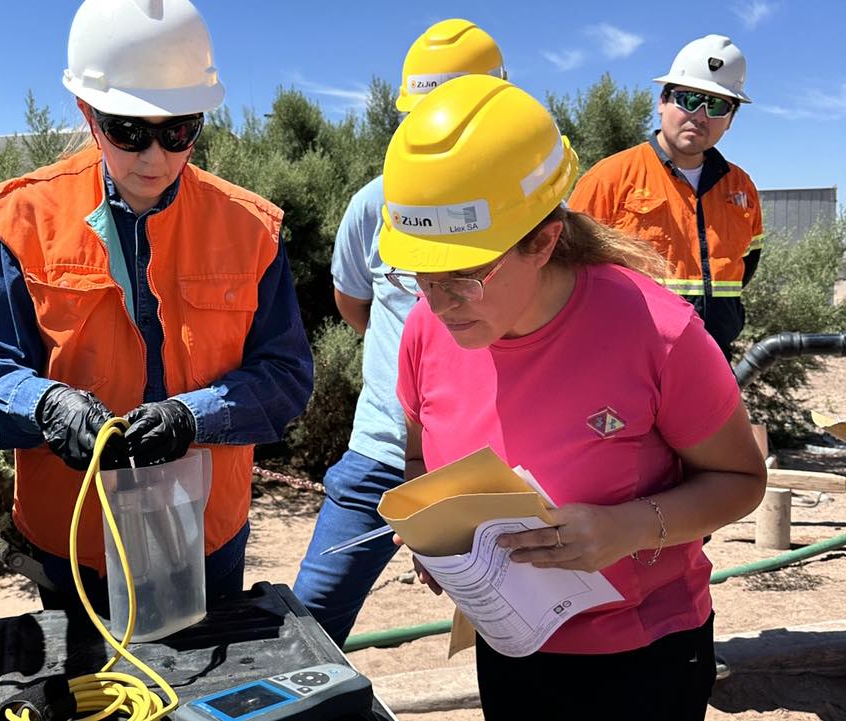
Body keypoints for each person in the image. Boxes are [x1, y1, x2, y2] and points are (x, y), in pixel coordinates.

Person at [381, 74, 767, 719]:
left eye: (465, 275)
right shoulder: (427, 327)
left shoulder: (656, 332)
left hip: (645, 656)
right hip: (509, 644)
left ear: (543, 241)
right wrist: (439, 542)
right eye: (420, 272)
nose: (439, 300)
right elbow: (421, 460)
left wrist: (628, 528)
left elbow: (739, 479)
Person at [0, 0, 312, 618]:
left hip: (207, 540)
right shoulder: (26, 221)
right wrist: (45, 406)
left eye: (179, 131)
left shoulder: (250, 230)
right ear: (86, 113)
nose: (155, 158)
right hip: (73, 547)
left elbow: (285, 377)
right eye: (128, 130)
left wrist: (193, 417)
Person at [294, 18, 507, 647]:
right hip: (382, 453)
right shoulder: (373, 205)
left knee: (519, 629)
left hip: (493, 464)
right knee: (309, 623)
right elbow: (354, 304)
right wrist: (417, 374)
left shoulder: (527, 212)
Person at [567, 35, 763, 359]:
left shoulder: (741, 187)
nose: (700, 115)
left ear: (730, 119)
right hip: (629, 357)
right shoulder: (609, 178)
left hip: (714, 356)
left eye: (716, 105)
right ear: (662, 101)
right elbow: (569, 270)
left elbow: (749, 260)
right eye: (688, 99)